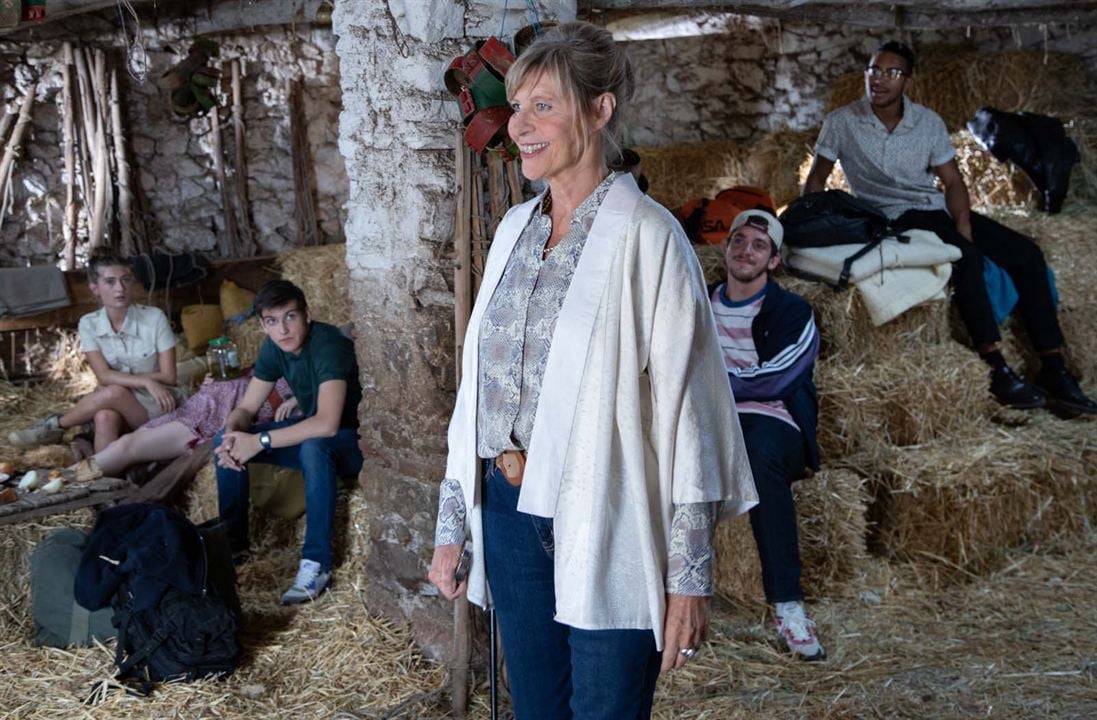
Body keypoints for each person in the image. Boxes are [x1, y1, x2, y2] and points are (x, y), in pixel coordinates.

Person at [428, 22, 757, 719]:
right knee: (537, 710)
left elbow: (688, 411)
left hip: (606, 513)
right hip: (510, 515)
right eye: (516, 107)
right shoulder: (516, 228)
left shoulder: (648, 237)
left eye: (542, 106)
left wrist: (688, 578)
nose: (520, 125)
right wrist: (452, 522)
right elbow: (478, 388)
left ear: (599, 110)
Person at [803, 40, 1096, 417]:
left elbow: (954, 183)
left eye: (892, 72)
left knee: (1026, 253)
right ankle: (997, 367)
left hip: (933, 208)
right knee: (966, 258)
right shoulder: (842, 122)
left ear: (907, 80)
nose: (879, 79)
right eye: (874, 70)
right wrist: (810, 222)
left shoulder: (927, 122)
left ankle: (1054, 367)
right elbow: (816, 179)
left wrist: (964, 225)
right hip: (890, 217)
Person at [709, 209, 825, 661]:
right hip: (708, 418)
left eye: (759, 245)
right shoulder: (699, 300)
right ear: (726, 247)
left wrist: (708, 382)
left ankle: (788, 604)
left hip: (771, 421)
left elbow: (777, 378)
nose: (746, 251)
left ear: (774, 260)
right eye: (739, 241)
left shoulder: (792, 311)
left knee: (756, 456)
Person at [214, 280, 363, 605]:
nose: (282, 329)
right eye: (271, 321)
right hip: (322, 435)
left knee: (314, 446)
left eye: (290, 317)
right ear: (263, 325)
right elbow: (245, 408)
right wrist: (234, 436)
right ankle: (233, 547)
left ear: (306, 315)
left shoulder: (327, 345)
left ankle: (316, 564)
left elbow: (326, 423)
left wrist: (261, 440)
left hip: (359, 443)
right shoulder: (274, 348)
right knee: (222, 440)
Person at [8, 252, 187, 451]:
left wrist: (126, 381)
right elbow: (103, 375)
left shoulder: (154, 318)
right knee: (104, 417)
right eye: (110, 282)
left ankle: (56, 426)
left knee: (114, 391)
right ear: (95, 288)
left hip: (159, 403)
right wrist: (145, 380)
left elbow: (169, 377)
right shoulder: (89, 324)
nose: (120, 288)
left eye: (125, 280)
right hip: (117, 400)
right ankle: (102, 477)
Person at [69, 372, 297, 481]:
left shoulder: (305, 391)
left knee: (126, 446)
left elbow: (318, 413)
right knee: (121, 447)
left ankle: (63, 481)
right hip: (199, 405)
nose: (283, 328)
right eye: (274, 321)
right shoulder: (276, 356)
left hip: (205, 422)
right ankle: (79, 483)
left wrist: (296, 400)